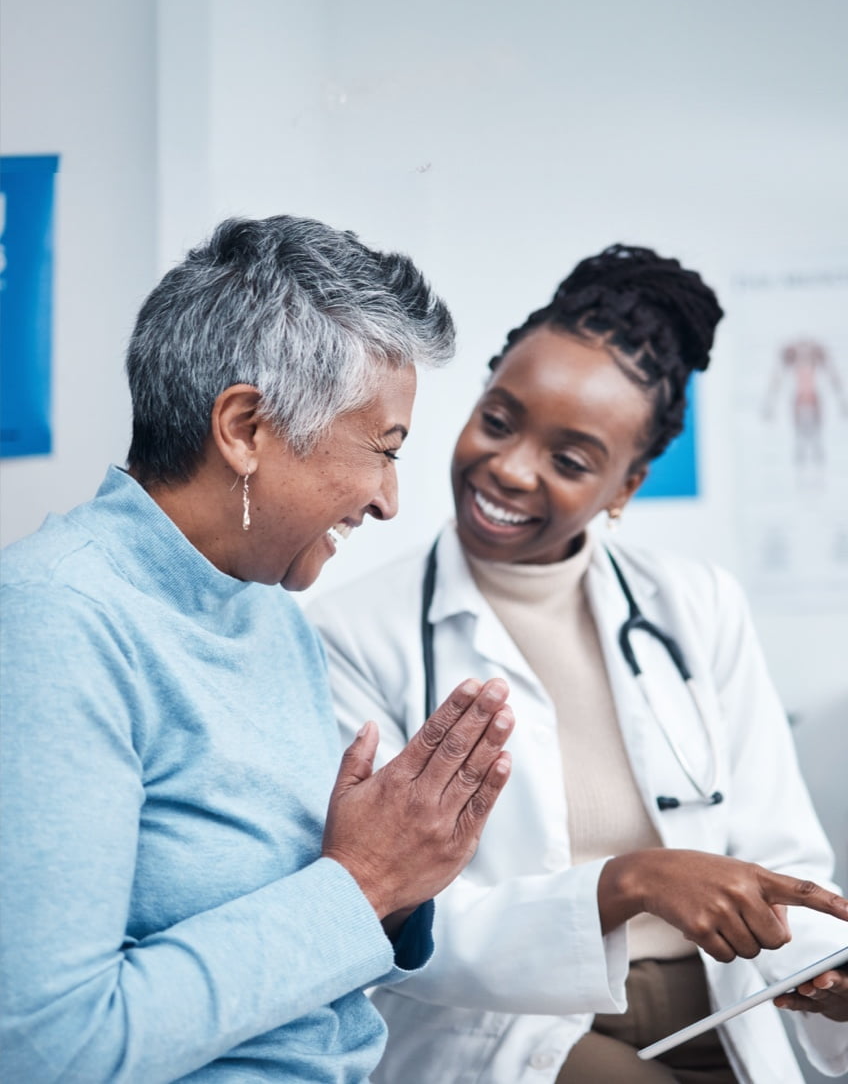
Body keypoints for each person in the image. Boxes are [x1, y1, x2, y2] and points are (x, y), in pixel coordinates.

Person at [308, 244, 848, 1084]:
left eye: (569, 460)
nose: (510, 467)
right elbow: (387, 914)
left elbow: (783, 862)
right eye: (498, 419)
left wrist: (826, 970)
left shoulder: (697, 605)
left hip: (727, 1007)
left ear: (626, 486)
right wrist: (625, 883)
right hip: (505, 1029)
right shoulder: (353, 631)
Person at [0, 215, 516, 1083]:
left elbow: (315, 939)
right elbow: (49, 1046)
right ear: (244, 427)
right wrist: (362, 887)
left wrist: (405, 870)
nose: (388, 501)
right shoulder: (57, 623)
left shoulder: (266, 610)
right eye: (382, 451)